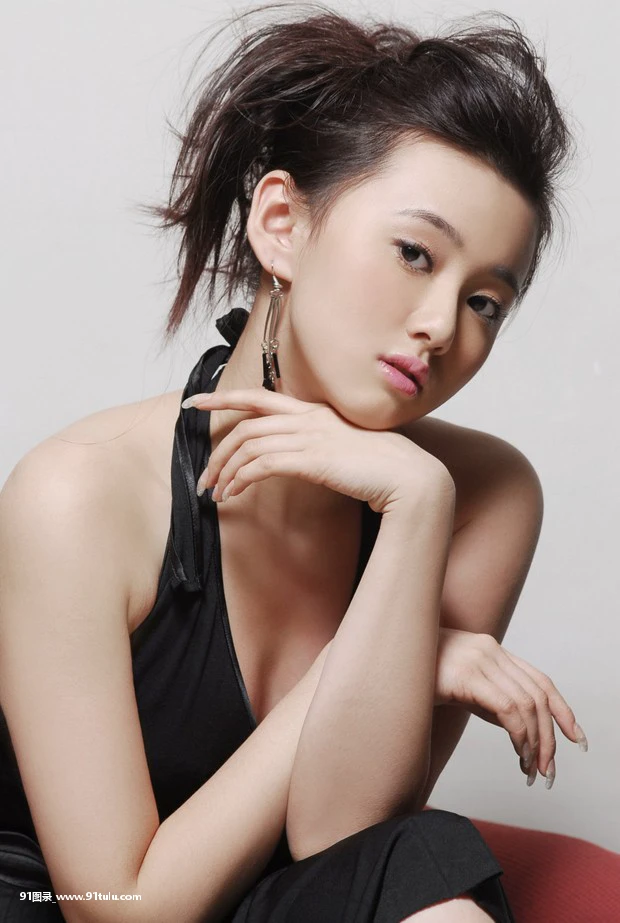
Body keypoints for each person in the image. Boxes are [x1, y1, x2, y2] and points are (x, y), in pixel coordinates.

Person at [0, 3, 588, 921]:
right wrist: (403, 652)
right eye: (413, 253)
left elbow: (345, 837)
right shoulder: (77, 496)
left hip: (270, 898)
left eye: (485, 302)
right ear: (281, 223)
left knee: (423, 856)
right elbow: (120, 907)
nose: (441, 325)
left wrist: (416, 503)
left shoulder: (477, 496)